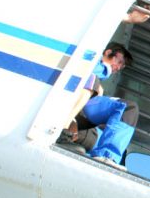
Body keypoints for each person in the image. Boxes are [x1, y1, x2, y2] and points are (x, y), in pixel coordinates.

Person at [57, 42, 139, 172]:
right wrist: (105, 69)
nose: (118, 67)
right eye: (119, 61)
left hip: (82, 116)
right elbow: (87, 68)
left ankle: (106, 157)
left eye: (122, 66)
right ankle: (63, 130)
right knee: (93, 81)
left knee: (127, 110)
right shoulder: (91, 60)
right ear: (107, 52)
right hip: (63, 100)